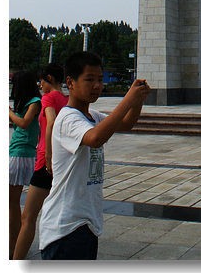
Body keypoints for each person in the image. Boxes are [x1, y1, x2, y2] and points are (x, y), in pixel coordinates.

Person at [38, 51, 151, 260]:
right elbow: (96, 138)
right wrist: (128, 100)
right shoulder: (68, 118)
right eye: (89, 80)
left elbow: (126, 123)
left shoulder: (92, 116)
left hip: (86, 223)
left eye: (100, 79)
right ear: (70, 83)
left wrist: (138, 100)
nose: (97, 85)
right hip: (65, 226)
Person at [12, 63, 68, 259]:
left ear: (49, 79)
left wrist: (48, 156)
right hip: (62, 161)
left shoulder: (48, 98)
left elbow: (50, 123)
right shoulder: (66, 100)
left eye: (42, 81)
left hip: (45, 161)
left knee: (28, 217)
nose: (40, 85)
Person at [9, 70, 42, 258]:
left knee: (11, 203)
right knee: (12, 203)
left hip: (20, 154)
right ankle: (13, 242)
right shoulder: (30, 102)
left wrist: (9, 113)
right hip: (20, 152)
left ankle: (13, 244)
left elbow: (24, 123)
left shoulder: (34, 103)